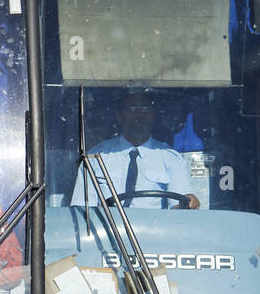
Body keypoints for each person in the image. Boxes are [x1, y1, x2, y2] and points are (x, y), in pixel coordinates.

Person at [70, 88, 200, 209]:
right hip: (109, 230)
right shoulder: (96, 157)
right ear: (119, 115)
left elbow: (179, 213)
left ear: (153, 115)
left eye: (145, 108)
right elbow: (83, 210)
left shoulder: (172, 159)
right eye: (132, 108)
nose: (139, 114)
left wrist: (188, 203)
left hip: (155, 231)